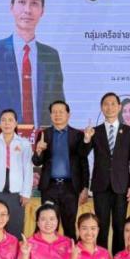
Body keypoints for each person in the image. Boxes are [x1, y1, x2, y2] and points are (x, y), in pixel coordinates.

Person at [87, 92, 130, 254]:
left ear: (119, 107)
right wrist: (86, 139)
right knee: (101, 226)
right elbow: (82, 154)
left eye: (112, 104)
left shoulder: (129, 131)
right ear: (101, 108)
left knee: (119, 226)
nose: (109, 107)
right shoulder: (95, 131)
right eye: (106, 104)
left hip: (121, 186)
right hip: (100, 186)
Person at [32, 100, 90, 241]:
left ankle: (71, 253)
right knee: (48, 226)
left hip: (70, 188)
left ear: (68, 115)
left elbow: (84, 163)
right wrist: (38, 151)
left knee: (69, 226)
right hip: (49, 187)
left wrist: (85, 188)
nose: (57, 115)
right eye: (54, 112)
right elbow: (37, 162)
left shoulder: (78, 135)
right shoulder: (44, 134)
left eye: (61, 112)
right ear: (50, 115)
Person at [0, 109, 33, 239]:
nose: (7, 123)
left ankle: (14, 250)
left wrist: (26, 193)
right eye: (3, 120)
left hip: (16, 191)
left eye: (10, 120)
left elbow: (28, 169)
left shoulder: (24, 143)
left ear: (16, 123)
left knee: (15, 226)